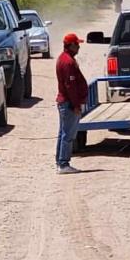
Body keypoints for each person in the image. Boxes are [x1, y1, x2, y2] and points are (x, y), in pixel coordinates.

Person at [55, 33, 88, 174]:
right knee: (68, 135)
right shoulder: (68, 62)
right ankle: (63, 164)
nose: (79, 47)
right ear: (71, 45)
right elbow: (71, 86)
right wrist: (76, 105)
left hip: (65, 102)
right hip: (68, 103)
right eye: (77, 44)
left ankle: (60, 161)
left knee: (63, 133)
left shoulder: (64, 59)